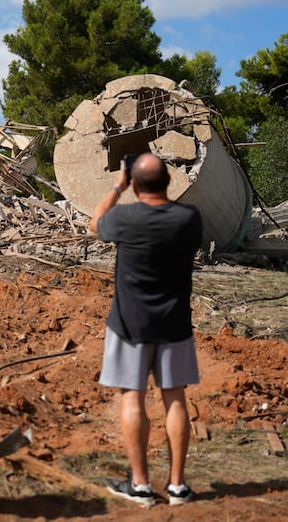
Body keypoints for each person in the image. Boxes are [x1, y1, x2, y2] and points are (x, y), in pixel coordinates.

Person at [89, 152, 203, 507]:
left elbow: (96, 223)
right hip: (175, 324)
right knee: (174, 398)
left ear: (134, 183)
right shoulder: (189, 218)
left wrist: (118, 186)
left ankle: (140, 485)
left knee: (132, 398)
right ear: (168, 182)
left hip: (128, 324)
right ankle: (178, 487)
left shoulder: (123, 217)